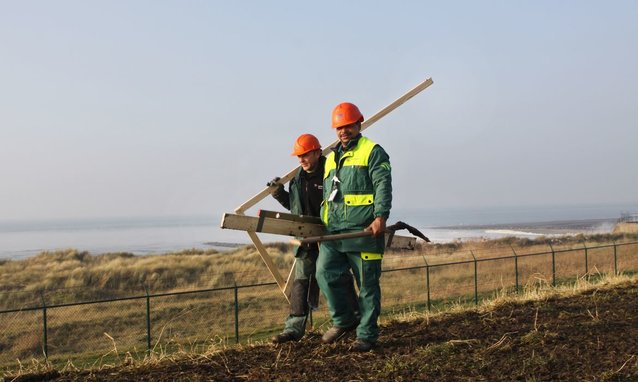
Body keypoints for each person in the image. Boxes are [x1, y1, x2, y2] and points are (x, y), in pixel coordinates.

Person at [268, 133, 359, 343]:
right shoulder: (297, 178)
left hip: (329, 237)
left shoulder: (332, 172)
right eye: (298, 157)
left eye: (305, 155)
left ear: (318, 152)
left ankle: (353, 318)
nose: (301, 160)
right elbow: (294, 206)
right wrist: (278, 194)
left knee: (336, 277)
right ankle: (293, 329)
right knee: (300, 283)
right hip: (306, 239)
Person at [316, 102, 392, 352]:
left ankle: (367, 335)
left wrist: (380, 216)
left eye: (348, 125)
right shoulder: (330, 158)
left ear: (359, 123)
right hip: (334, 233)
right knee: (325, 274)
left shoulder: (373, 151)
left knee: (368, 286)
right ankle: (344, 321)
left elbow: (382, 184)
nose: (343, 131)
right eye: (339, 127)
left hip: (364, 232)